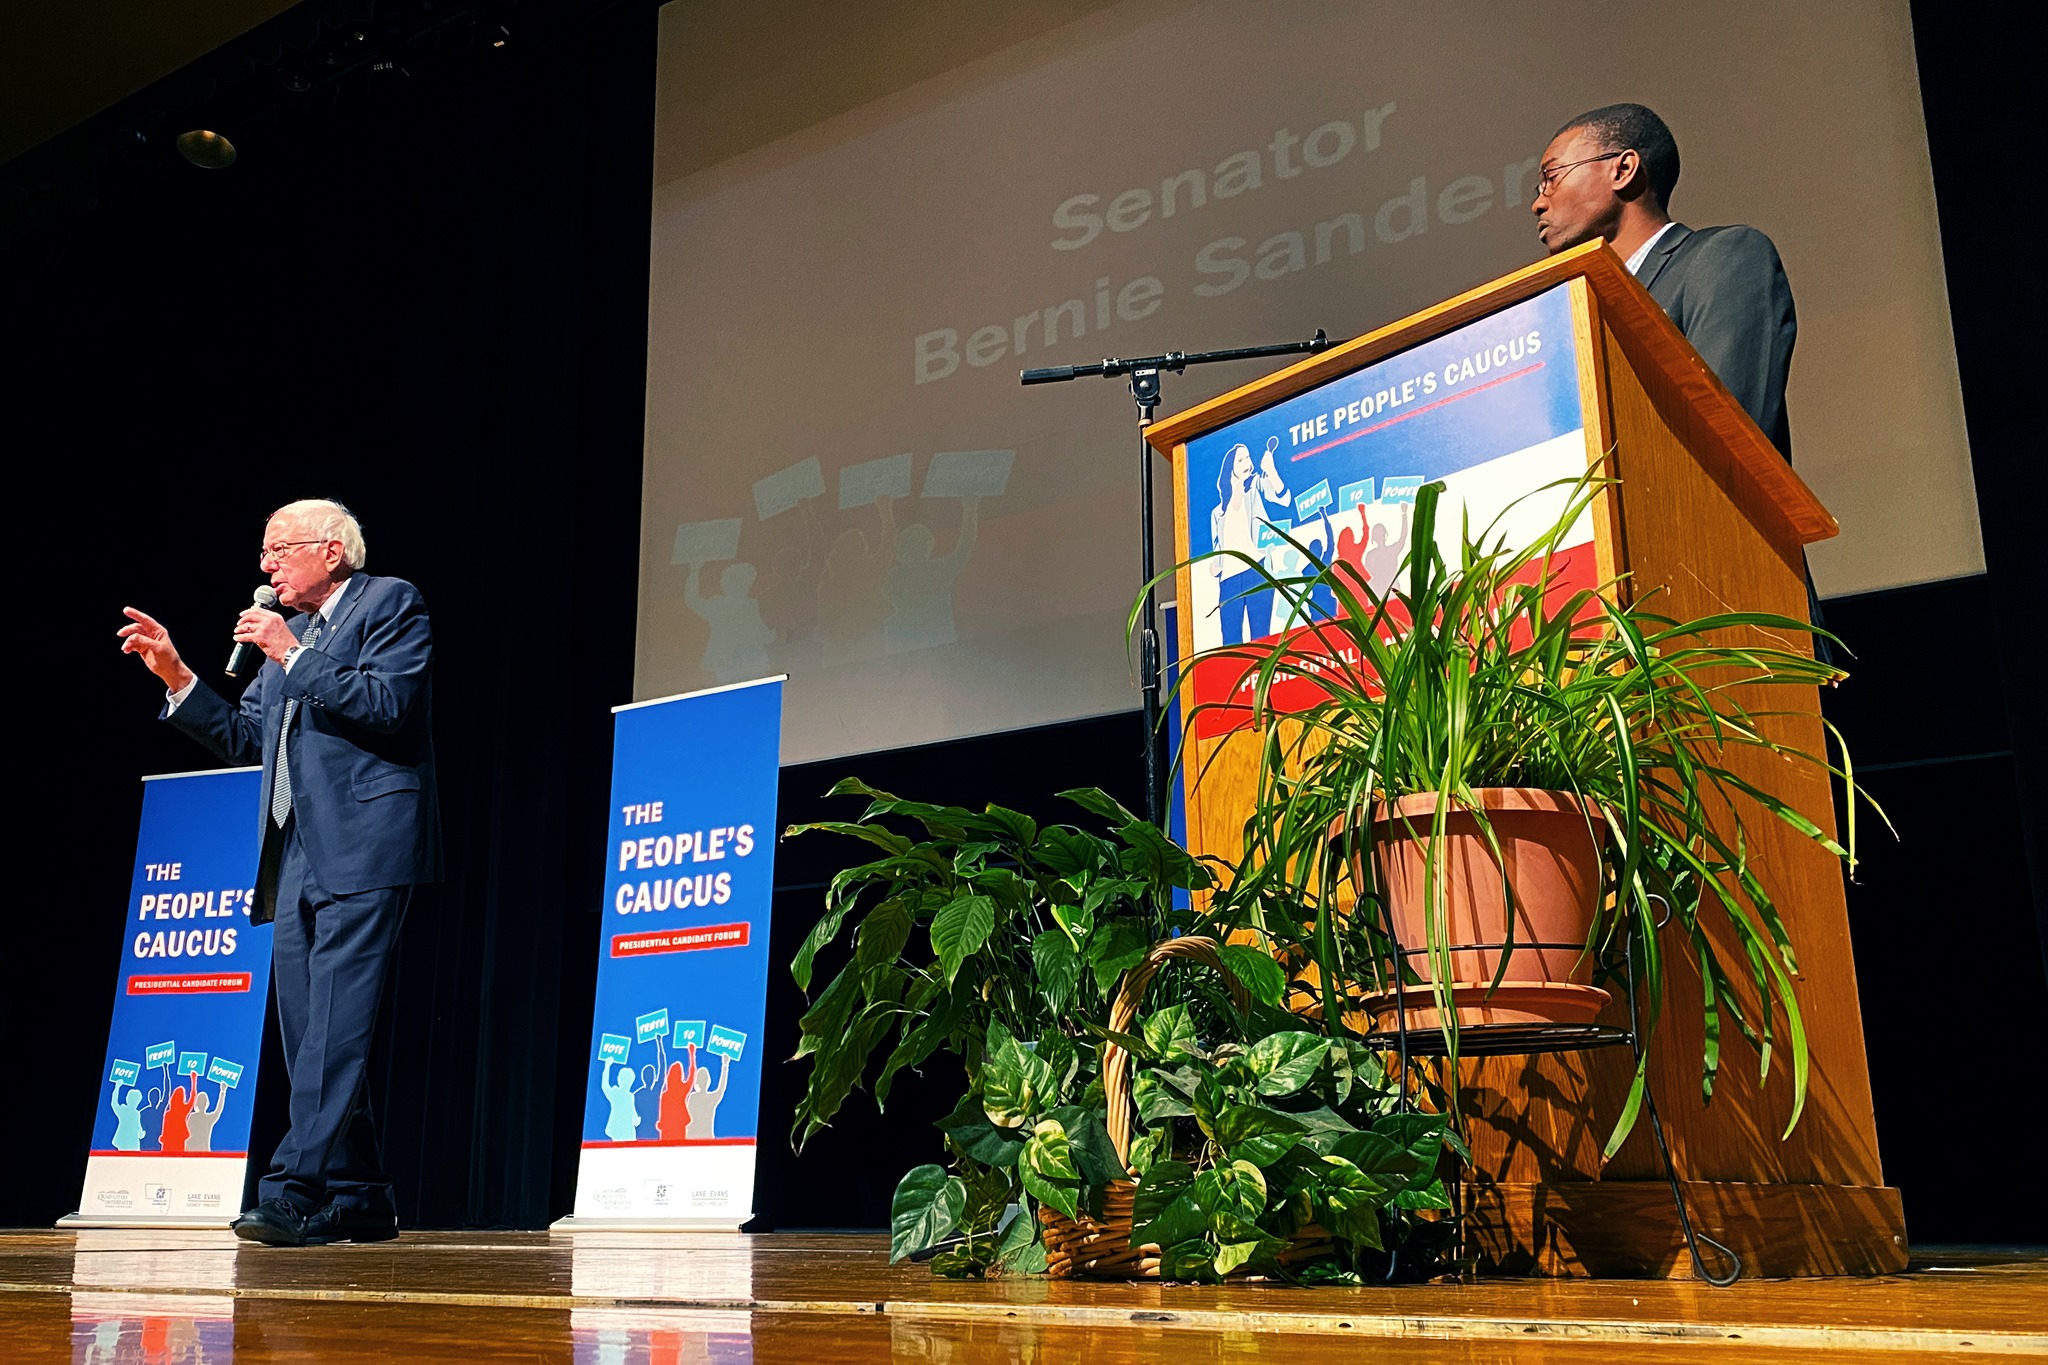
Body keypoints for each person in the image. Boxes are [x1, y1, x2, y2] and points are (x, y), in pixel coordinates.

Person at [117, 498, 439, 1247]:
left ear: (331, 551)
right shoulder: (289, 640)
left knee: (336, 1024)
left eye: (278, 550)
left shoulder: (390, 602)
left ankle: (292, 1188)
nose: (265, 566)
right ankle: (362, 1192)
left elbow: (388, 704)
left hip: (367, 841)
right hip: (294, 853)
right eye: (263, 554)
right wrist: (179, 675)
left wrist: (292, 652)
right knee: (309, 1033)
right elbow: (248, 738)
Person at [1530, 102, 1796, 458]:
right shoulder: (1567, 313)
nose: (1539, 204)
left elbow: (1729, 431)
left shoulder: (1722, 257)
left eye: (1552, 178)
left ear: (1623, 170)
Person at [684, 1051, 730, 1140]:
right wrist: (725, 1066)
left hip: (692, 1137)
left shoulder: (693, 1097)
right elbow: (721, 1088)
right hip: (705, 1137)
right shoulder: (710, 1098)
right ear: (708, 1081)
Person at [600, 1061, 640, 1142]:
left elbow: (632, 1109)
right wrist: (607, 1067)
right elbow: (605, 1086)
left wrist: (636, 1119)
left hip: (628, 1130)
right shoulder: (616, 1093)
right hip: (619, 1129)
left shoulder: (629, 1096)